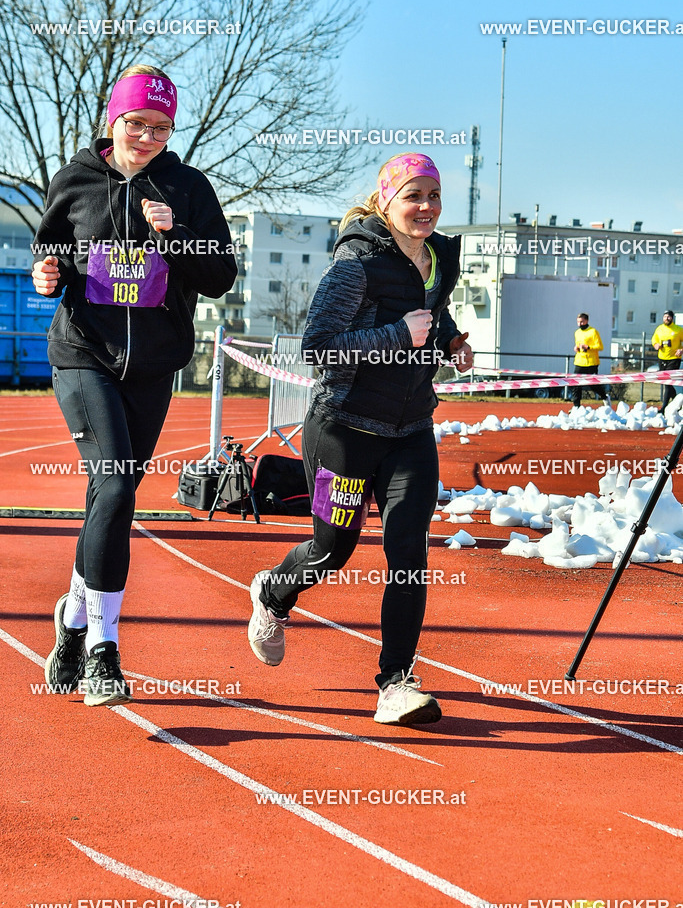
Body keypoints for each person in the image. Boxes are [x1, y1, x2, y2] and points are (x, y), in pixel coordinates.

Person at [32, 65, 237, 706]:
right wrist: (47, 274)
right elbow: (52, 255)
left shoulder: (187, 188)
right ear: (112, 124)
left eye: (159, 127)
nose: (146, 136)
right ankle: (104, 649)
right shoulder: (76, 180)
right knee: (117, 483)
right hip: (84, 356)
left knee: (110, 499)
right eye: (135, 124)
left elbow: (221, 277)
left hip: (152, 367)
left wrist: (175, 238)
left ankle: (71, 618)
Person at [247, 152, 472, 726]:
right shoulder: (356, 265)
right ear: (386, 201)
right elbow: (319, 347)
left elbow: (432, 314)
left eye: (433, 196)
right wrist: (399, 335)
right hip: (344, 430)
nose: (425, 208)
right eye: (413, 196)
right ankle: (274, 592)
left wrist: (450, 343)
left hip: (411, 432)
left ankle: (395, 681)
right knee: (333, 550)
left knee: (408, 557)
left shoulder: (439, 258)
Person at [570, 312, 609, 408]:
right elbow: (578, 344)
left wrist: (588, 347)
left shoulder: (593, 332)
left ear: (587, 321)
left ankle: (604, 397)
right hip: (579, 362)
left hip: (591, 362)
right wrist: (576, 348)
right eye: (578, 322)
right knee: (576, 384)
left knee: (592, 384)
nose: (580, 324)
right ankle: (576, 406)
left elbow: (600, 347)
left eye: (582, 322)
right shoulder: (577, 332)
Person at [651, 309, 683, 413]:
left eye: (669, 316)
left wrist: (681, 350)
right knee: (666, 382)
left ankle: (664, 407)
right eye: (665, 316)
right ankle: (677, 403)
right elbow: (654, 339)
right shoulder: (659, 329)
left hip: (674, 359)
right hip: (662, 358)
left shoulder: (678, 330)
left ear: (672, 318)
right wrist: (655, 344)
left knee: (668, 383)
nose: (667, 318)